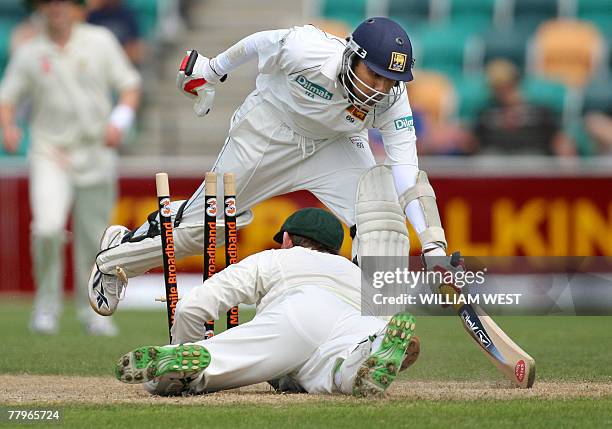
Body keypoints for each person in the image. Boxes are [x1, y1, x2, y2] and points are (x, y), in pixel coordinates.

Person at [88, 17, 452, 318]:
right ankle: (117, 256)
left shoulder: (393, 100)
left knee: (381, 219)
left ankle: (366, 333)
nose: (379, 89)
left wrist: (434, 247)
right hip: (268, 131)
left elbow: (406, 171)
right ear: (352, 56)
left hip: (335, 145)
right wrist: (213, 70)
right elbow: (259, 43)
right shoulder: (307, 50)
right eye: (374, 75)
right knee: (206, 228)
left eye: (390, 81)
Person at [115, 208, 421, 397]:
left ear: (287, 238)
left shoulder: (276, 258)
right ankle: (369, 354)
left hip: (298, 316)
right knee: (335, 372)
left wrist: (186, 342)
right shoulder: (354, 272)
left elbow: (193, 307)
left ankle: (183, 361)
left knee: (215, 359)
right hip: (357, 325)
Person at [0, 0, 141, 335]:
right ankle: (46, 305)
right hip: (50, 152)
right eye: (48, 2)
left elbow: (129, 87)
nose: (56, 8)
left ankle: (92, 310)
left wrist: (119, 122)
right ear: (39, 8)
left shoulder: (100, 40)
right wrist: (8, 126)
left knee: (94, 238)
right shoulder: (30, 51)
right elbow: (7, 98)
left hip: (96, 153)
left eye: (63, 1)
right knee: (47, 229)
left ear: (76, 7)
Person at [473, 59, 575, 156]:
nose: (502, 91)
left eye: (507, 85)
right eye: (497, 87)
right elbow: (472, 143)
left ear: (516, 83)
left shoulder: (540, 111)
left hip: (532, 160)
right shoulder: (485, 112)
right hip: (495, 162)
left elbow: (559, 140)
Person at [86, 0, 145, 66]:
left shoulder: (128, 15)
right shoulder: (92, 15)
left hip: (124, 65)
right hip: (96, 64)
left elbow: (136, 51)